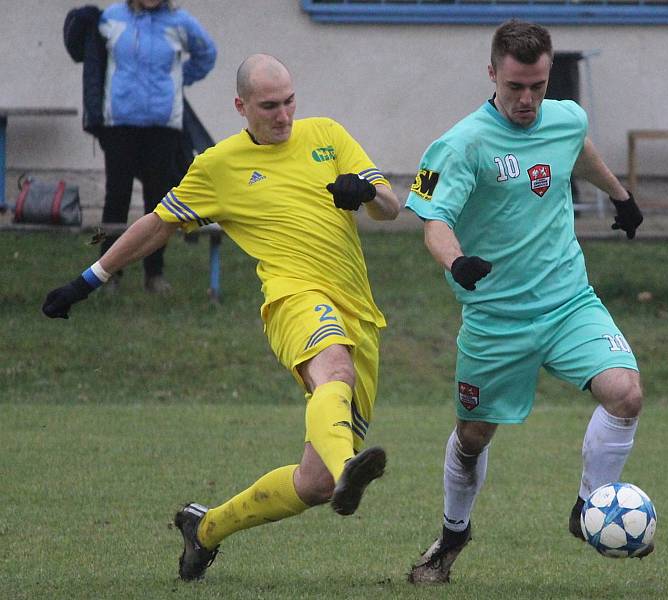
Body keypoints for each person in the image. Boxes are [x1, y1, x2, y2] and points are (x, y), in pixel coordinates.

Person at [42, 54, 400, 582]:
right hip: (293, 299)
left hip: (360, 313)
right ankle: (350, 462)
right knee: (334, 372)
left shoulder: (327, 134)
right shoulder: (218, 165)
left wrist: (367, 192)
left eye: (289, 102)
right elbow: (159, 224)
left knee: (316, 484)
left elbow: (392, 206)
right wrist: (88, 279)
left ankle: (206, 528)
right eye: (269, 106)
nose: (283, 116)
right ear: (241, 107)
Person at [404, 20, 647, 584]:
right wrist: (455, 261)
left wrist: (619, 194)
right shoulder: (461, 143)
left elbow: (576, 149)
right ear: (492, 74)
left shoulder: (563, 117)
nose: (527, 99)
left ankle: (588, 509)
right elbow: (432, 218)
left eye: (537, 85)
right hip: (496, 319)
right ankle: (453, 534)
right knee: (472, 437)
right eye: (515, 86)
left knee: (626, 393)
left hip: (569, 303)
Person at [96, 0, 216, 293]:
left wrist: (175, 82)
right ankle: (108, 273)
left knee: (159, 201)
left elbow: (207, 55)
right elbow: (92, 59)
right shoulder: (111, 18)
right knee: (116, 197)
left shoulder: (180, 23)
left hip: (163, 127)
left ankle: (155, 274)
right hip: (119, 123)